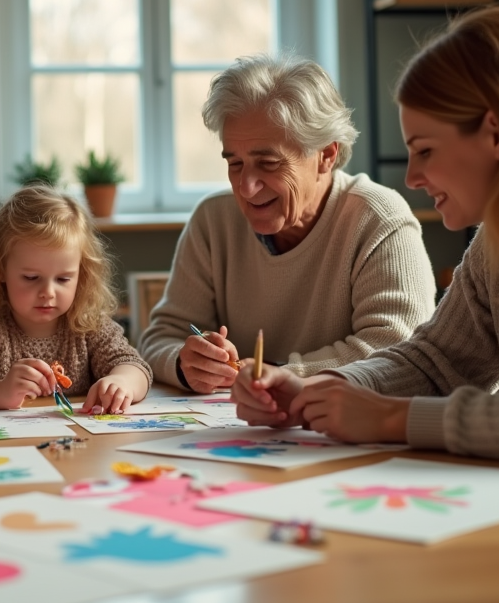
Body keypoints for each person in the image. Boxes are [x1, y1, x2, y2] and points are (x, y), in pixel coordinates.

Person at [233, 6, 499, 482]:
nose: (412, 178)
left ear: (496, 132)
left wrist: (393, 419)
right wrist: (323, 389)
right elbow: (438, 361)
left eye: (425, 150)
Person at [139, 54, 436, 393]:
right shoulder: (213, 219)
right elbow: (162, 336)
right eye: (235, 163)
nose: (246, 187)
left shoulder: (379, 219)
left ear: (326, 154)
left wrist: (282, 375)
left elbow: (396, 348)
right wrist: (185, 361)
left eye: (268, 162)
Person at [0, 186, 152, 413]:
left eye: (63, 279)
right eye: (31, 278)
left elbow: (135, 367)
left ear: (81, 275)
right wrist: (1, 391)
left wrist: (122, 383)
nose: (48, 292)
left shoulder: (89, 324)